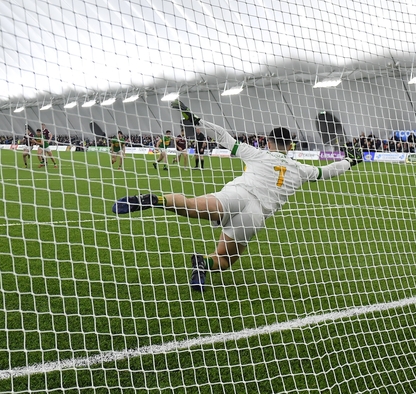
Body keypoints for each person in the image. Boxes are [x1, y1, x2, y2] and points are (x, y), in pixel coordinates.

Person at [112, 110, 362, 292]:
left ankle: (156, 199)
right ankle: (203, 263)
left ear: (268, 142)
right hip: (255, 214)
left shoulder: (256, 153)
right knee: (225, 260)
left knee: (190, 205)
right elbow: (327, 171)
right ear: (292, 145)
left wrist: (199, 121)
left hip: (238, 194)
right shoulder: (300, 168)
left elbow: (224, 137)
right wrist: (350, 161)